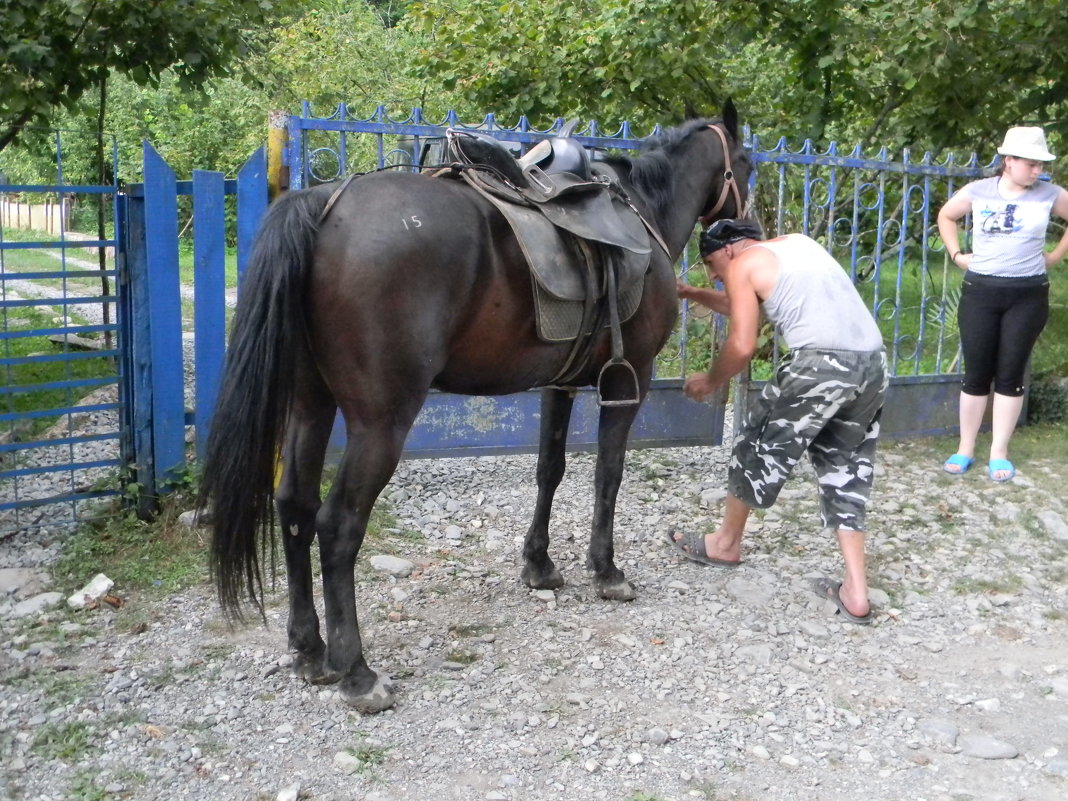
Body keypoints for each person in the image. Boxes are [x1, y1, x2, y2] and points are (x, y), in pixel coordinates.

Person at [669, 218, 887, 625]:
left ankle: (725, 544)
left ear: (730, 249)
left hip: (819, 364)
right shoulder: (798, 245)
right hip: (873, 364)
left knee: (755, 444)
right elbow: (749, 304)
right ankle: (856, 591)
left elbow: (743, 342)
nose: (715, 274)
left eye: (712, 265)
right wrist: (693, 293)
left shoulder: (742, 263)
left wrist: (712, 380)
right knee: (846, 467)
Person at [937, 126, 1068, 482]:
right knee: (977, 372)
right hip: (980, 292)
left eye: (1041, 164)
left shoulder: (1050, 194)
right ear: (1008, 161)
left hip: (1027, 295)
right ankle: (965, 448)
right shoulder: (978, 191)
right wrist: (957, 254)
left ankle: (999, 452)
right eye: (1031, 163)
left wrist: (1055, 255)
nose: (1037, 170)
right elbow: (946, 216)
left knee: (1011, 373)